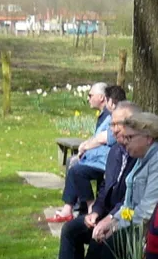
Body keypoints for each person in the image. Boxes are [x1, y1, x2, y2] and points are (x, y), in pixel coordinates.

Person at [87, 111, 158, 259]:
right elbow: (129, 207)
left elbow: (148, 211)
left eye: (130, 137)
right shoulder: (143, 155)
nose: (124, 142)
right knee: (97, 239)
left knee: (112, 243)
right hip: (139, 223)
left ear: (148, 138)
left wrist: (117, 226)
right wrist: (114, 220)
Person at [57, 101, 140, 259]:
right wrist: (95, 212)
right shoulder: (115, 152)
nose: (113, 130)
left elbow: (132, 202)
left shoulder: (140, 157)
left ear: (133, 124)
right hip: (105, 215)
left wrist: (108, 219)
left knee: (100, 240)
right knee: (70, 230)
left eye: (117, 124)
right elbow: (104, 188)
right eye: (111, 124)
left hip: (126, 218)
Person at [48, 83, 122, 222]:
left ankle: (89, 207)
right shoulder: (106, 116)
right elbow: (98, 137)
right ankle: (71, 207)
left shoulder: (113, 116)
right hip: (98, 158)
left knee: (76, 169)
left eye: (90, 95)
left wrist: (85, 147)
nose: (88, 98)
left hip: (104, 161)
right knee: (73, 163)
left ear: (104, 99)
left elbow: (105, 138)